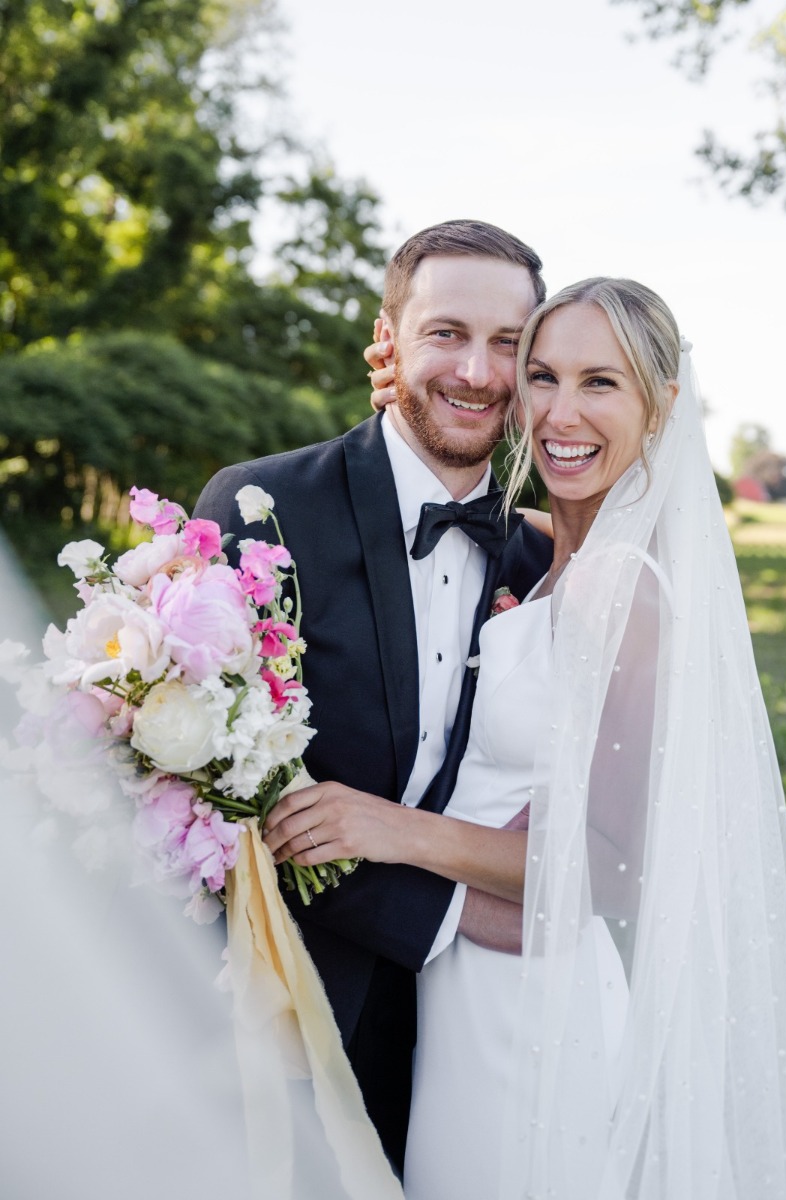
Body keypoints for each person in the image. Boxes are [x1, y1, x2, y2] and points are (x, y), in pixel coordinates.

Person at [263, 277, 786, 1198]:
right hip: (469, 984)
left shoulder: (625, 585)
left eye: (600, 384)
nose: (562, 413)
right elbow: (418, 497)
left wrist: (392, 828)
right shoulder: (543, 553)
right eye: (543, 376)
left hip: (537, 1009)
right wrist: (408, 395)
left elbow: (612, 866)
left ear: (662, 407)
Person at [193, 219, 553, 1169]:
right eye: (446, 333)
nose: (476, 372)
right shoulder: (260, 507)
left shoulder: (544, 563)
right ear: (388, 340)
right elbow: (221, 788)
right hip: (283, 1009)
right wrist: (451, 915)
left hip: (477, 1032)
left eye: (509, 344)